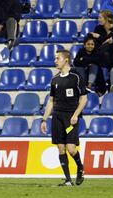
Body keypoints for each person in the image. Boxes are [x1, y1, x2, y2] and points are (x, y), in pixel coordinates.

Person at [41, 50, 87, 186]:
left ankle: (80, 168)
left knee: (71, 149)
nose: (55, 61)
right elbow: (51, 101)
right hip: (57, 117)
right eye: (55, 58)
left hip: (70, 117)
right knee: (61, 148)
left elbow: (84, 98)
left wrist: (76, 114)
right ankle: (68, 180)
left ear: (66, 60)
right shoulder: (55, 79)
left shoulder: (75, 77)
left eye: (57, 58)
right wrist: (44, 119)